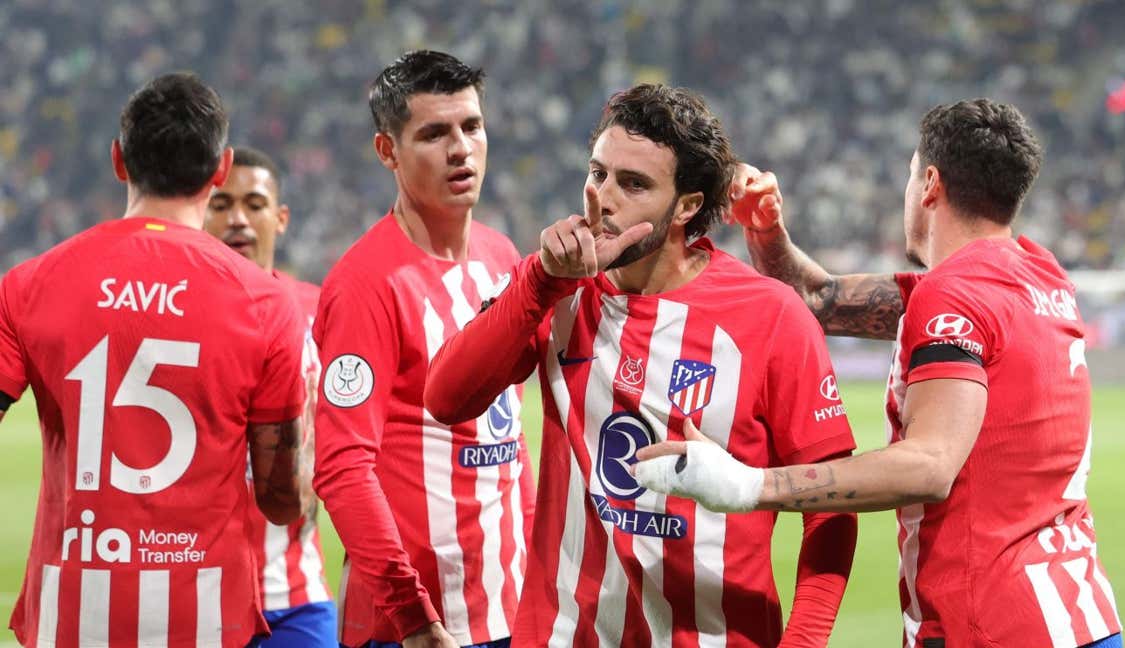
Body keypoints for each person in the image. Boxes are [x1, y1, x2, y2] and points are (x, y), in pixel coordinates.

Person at [635, 98, 1124, 648]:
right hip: (1079, 614)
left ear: (930, 184)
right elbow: (818, 300)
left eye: (911, 174)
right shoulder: (1040, 275)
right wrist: (767, 233)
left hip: (995, 623)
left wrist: (749, 483)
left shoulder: (954, 296)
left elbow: (929, 465)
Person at [425, 83, 857, 648]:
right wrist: (542, 280)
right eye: (598, 172)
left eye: (633, 184)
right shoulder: (554, 286)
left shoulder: (769, 317)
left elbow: (831, 509)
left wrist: (804, 641)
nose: (602, 198)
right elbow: (446, 397)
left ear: (687, 206)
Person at [0, 73, 305, 647]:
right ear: (221, 169)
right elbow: (280, 500)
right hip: (204, 617)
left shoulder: (30, 284)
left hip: (71, 616)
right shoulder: (265, 303)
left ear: (118, 160)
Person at [311, 51, 532, 648]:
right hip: (415, 630)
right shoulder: (365, 287)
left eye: (472, 126)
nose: (461, 149)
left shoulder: (501, 258)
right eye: (434, 133)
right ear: (388, 151)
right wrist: (412, 616)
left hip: (512, 612)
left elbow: (511, 445)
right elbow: (341, 468)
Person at [205, 146, 335, 647]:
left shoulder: (320, 311)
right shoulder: (177, 315)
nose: (238, 219)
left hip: (295, 598)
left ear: (279, 218)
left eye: (254, 204)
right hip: (198, 597)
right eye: (221, 205)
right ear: (201, 213)